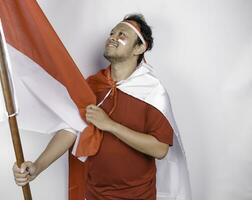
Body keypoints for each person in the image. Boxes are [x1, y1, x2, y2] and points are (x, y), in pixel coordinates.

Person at [13, 14, 174, 200]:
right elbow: (71, 129)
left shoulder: (153, 92)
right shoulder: (91, 85)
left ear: (139, 47)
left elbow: (160, 149)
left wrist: (110, 125)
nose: (113, 37)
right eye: (112, 33)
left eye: (122, 35)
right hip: (94, 194)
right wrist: (38, 166)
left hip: (138, 196)